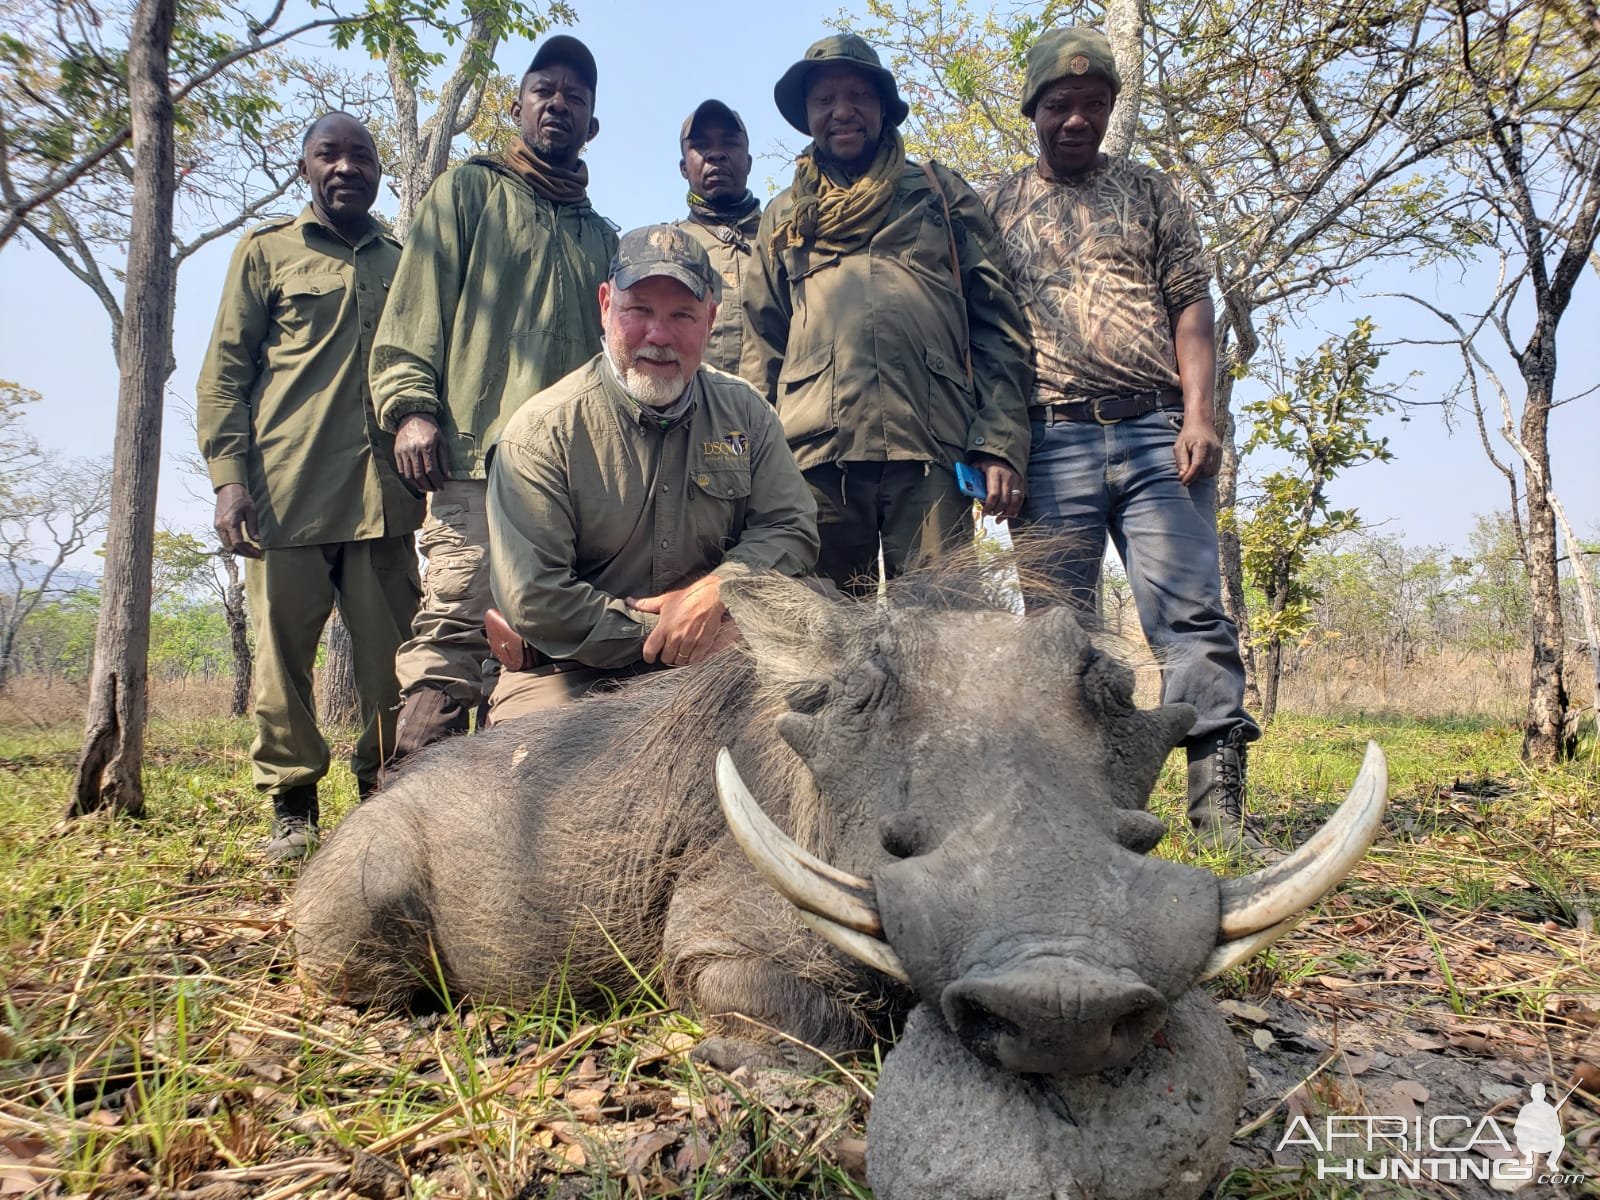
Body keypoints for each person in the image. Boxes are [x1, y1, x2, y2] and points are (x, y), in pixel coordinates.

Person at [985, 28, 1266, 854]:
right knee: (1059, 636)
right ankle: (1079, 809)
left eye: (1093, 106)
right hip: (1051, 437)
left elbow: (1191, 305)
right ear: (1033, 109)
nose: (1077, 120)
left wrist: (1200, 414)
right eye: (1060, 106)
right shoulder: (996, 207)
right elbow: (984, 337)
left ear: (1110, 110)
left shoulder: (1151, 192)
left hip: (1155, 434)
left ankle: (1220, 814)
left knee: (1192, 618)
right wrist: (997, 444)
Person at [369, 34, 618, 759]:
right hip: (475, 465)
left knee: (548, 645)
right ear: (516, 107)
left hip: (571, 482)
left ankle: (519, 821)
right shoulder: (467, 192)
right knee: (452, 633)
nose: (559, 105)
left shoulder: (602, 237)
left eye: (576, 97)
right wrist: (412, 408)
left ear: (592, 125)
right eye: (545, 91)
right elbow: (415, 310)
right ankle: (403, 823)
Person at [196, 112, 422, 858]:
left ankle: (382, 794)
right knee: (280, 663)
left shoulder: (403, 257)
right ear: (306, 169)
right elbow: (225, 373)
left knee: (396, 662)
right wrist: (230, 481)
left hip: (384, 498)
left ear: (379, 171)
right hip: (284, 494)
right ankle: (292, 806)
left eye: (361, 155)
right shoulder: (267, 254)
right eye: (330, 154)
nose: (347, 167)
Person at [484, 224, 819, 718]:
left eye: (681, 315)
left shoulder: (747, 413)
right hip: (571, 670)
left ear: (709, 319)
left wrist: (721, 587)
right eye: (638, 310)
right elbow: (536, 600)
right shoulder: (540, 431)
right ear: (605, 305)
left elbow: (791, 529)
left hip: (726, 647)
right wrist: (674, 636)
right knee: (525, 777)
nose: (658, 336)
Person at [742, 34, 1032, 596]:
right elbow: (761, 346)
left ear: (882, 106)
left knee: (941, 641)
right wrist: (752, 471)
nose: (841, 111)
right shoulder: (782, 216)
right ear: (808, 115)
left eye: (856, 95)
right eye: (824, 99)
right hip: (813, 462)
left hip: (930, 451)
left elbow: (998, 324)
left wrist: (998, 441)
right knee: (819, 644)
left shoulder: (939, 194)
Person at [671, 99, 762, 379]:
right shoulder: (665, 247)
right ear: (684, 167)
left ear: (748, 162)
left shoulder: (785, 239)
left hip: (776, 417)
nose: (717, 154)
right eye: (701, 145)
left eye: (730, 143)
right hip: (689, 416)